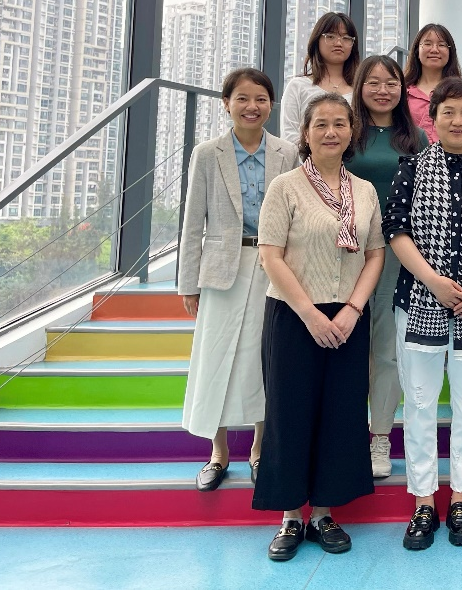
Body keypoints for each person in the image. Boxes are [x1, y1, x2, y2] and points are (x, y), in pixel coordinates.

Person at [253, 94, 385, 561]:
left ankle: (324, 513)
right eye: (321, 124)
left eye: (340, 124)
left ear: (352, 132)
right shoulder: (285, 187)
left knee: (341, 414)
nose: (331, 132)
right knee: (289, 414)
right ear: (306, 134)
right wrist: (310, 313)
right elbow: (270, 255)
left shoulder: (364, 191)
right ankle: (291, 516)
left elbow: (375, 254)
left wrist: (352, 309)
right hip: (294, 315)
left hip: (348, 317)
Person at [385, 77, 462, 550]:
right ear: (433, 117)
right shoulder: (412, 167)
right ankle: (423, 501)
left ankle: (460, 498)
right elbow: (395, 229)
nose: (458, 121)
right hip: (420, 300)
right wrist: (433, 281)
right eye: (449, 112)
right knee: (419, 403)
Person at [179, 68, 299, 492]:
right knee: (214, 360)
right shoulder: (207, 154)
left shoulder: (286, 152)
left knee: (265, 359)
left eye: (261, 99)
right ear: (226, 103)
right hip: (221, 269)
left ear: (271, 105)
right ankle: (218, 454)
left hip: (274, 266)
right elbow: (193, 221)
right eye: (243, 99)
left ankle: (260, 451)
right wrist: (188, 283)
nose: (252, 107)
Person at [345, 55, 428, 479]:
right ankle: (344, 435)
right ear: (359, 87)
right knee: (345, 345)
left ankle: (380, 437)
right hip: (345, 251)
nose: (383, 90)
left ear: (402, 89)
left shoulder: (415, 138)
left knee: (387, 349)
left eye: (391, 82)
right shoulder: (346, 132)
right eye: (373, 82)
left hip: (397, 252)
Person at [279, 12, 360, 142]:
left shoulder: (360, 90)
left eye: (346, 38)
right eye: (330, 36)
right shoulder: (298, 86)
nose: (338, 43)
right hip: (304, 155)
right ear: (317, 41)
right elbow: (288, 135)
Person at [404, 23, 462, 143]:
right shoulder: (402, 92)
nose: (434, 50)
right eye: (427, 44)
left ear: (450, 52)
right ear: (417, 50)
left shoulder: (460, 92)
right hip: (408, 153)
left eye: (441, 45)